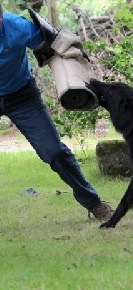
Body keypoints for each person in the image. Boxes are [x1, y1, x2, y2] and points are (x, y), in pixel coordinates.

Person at [0, 5, 114, 220]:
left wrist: (77, 79)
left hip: (21, 96)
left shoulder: (18, 27)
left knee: (54, 152)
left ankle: (94, 204)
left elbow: (56, 48)